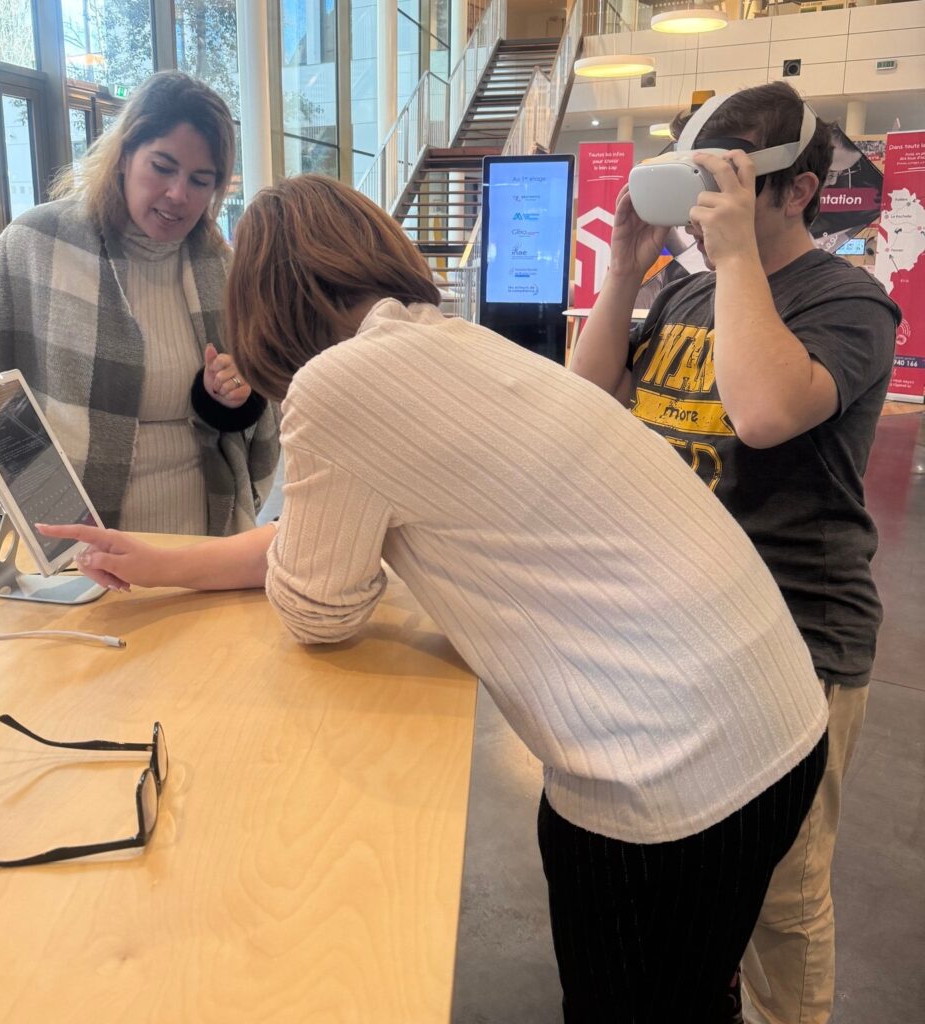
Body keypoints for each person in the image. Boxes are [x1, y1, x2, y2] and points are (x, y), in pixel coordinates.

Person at [40, 174, 829, 1023]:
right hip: (769, 715)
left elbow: (318, 609)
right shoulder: (447, 341)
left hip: (670, 773)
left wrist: (324, 550)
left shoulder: (338, 383)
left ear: (263, 301)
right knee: (693, 988)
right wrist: (169, 562)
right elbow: (325, 534)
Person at [568, 81, 900, 1024]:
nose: (702, 203)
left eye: (724, 181)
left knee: (783, 893)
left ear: (796, 191)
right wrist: (625, 270)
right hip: (681, 636)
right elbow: (586, 405)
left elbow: (762, 412)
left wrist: (737, 258)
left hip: (799, 638)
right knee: (696, 864)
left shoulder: (850, 301)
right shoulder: (686, 288)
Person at [0, 71, 279, 551]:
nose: (178, 194)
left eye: (200, 180)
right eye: (162, 167)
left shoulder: (223, 269)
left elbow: (258, 393)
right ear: (123, 155)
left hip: (194, 535)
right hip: (61, 537)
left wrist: (232, 395)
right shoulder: (38, 244)